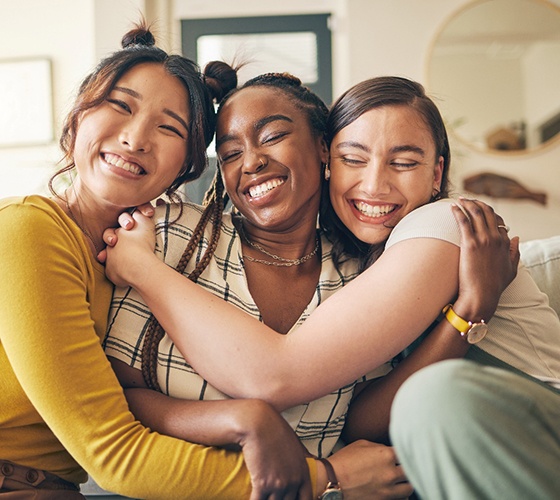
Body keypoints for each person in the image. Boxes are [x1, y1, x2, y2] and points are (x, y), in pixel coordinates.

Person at [105, 75, 560, 498]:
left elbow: (301, 389)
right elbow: (115, 396)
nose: (375, 183)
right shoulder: (169, 234)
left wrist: (468, 311)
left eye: (403, 162)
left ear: (320, 150)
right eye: (355, 159)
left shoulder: (395, 249)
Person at [0, 22, 332, 499]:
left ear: (187, 167)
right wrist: (326, 477)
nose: (136, 139)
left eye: (169, 127)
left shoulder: (145, 253)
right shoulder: (28, 228)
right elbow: (114, 452)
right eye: (121, 106)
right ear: (77, 119)